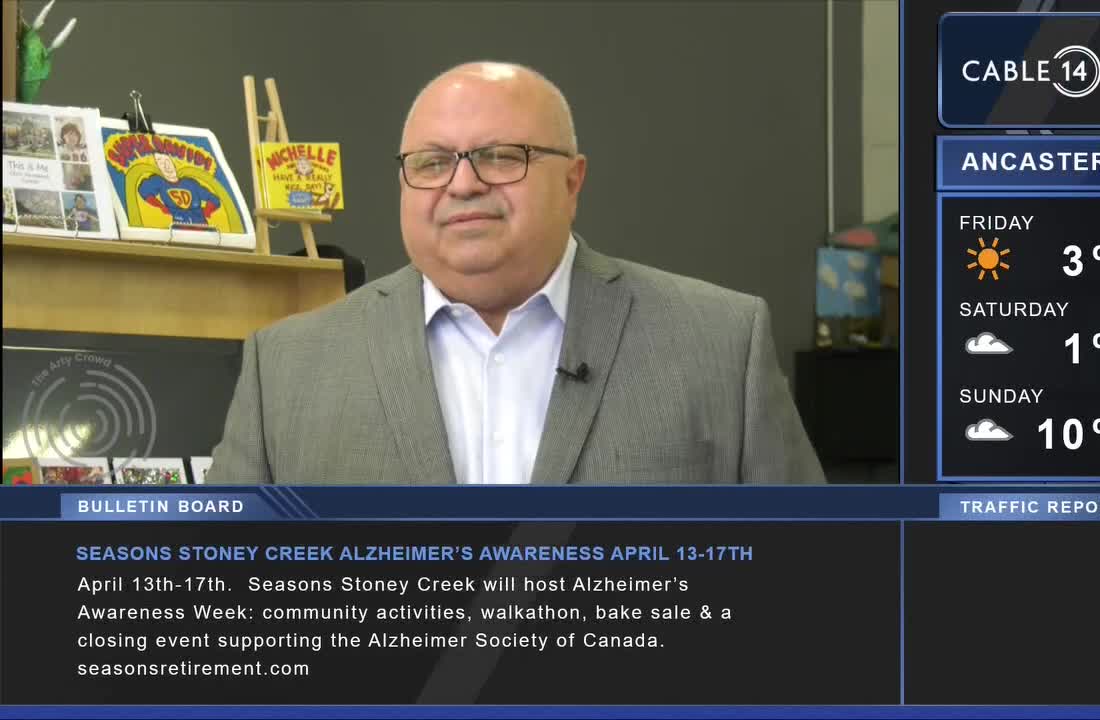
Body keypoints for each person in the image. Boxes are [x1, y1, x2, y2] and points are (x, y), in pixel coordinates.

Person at [208, 61, 824, 485]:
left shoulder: (722, 343)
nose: (463, 184)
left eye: (502, 156)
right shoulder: (286, 368)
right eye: (432, 163)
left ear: (573, 182)